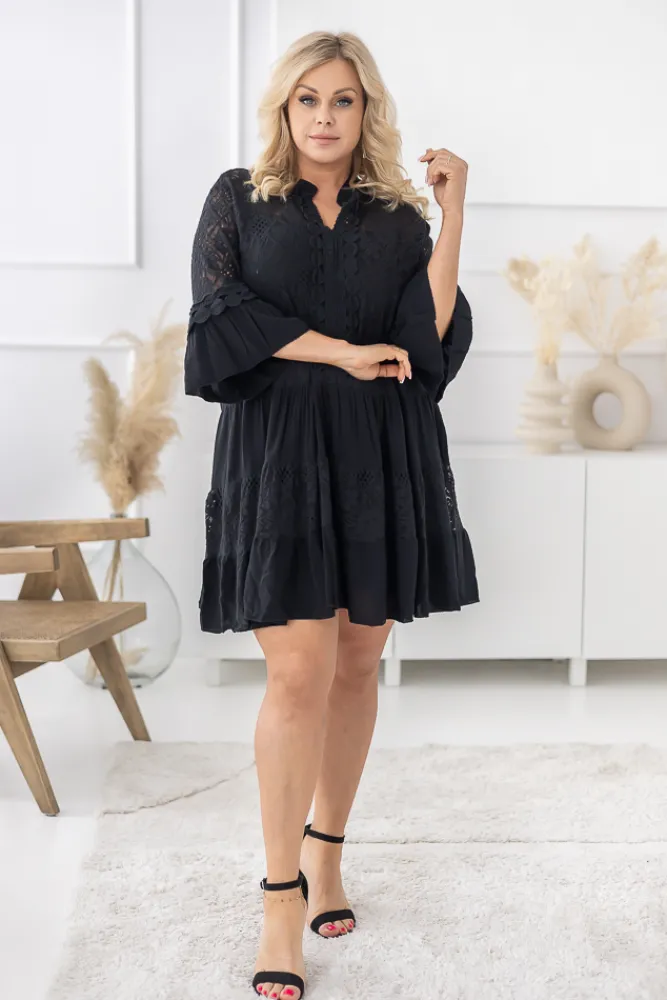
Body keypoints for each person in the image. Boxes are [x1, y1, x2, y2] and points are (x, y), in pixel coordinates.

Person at [184, 29, 479, 1000]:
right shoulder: (238, 197)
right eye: (307, 98)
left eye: (342, 100)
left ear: (365, 110)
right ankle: (279, 898)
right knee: (297, 670)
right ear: (284, 107)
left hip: (378, 453)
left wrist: (453, 213)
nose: (324, 116)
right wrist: (339, 352)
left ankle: (328, 853)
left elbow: (425, 339)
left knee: (356, 662)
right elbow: (220, 314)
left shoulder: (396, 217)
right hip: (278, 453)